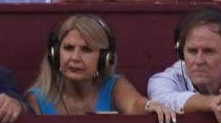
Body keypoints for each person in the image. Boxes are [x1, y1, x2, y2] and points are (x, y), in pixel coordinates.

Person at [27, 14, 162, 114]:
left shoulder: (114, 86)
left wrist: (149, 105)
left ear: (105, 58)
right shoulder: (36, 99)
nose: (75, 58)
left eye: (86, 50)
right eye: (68, 48)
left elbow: (134, 104)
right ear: (55, 53)